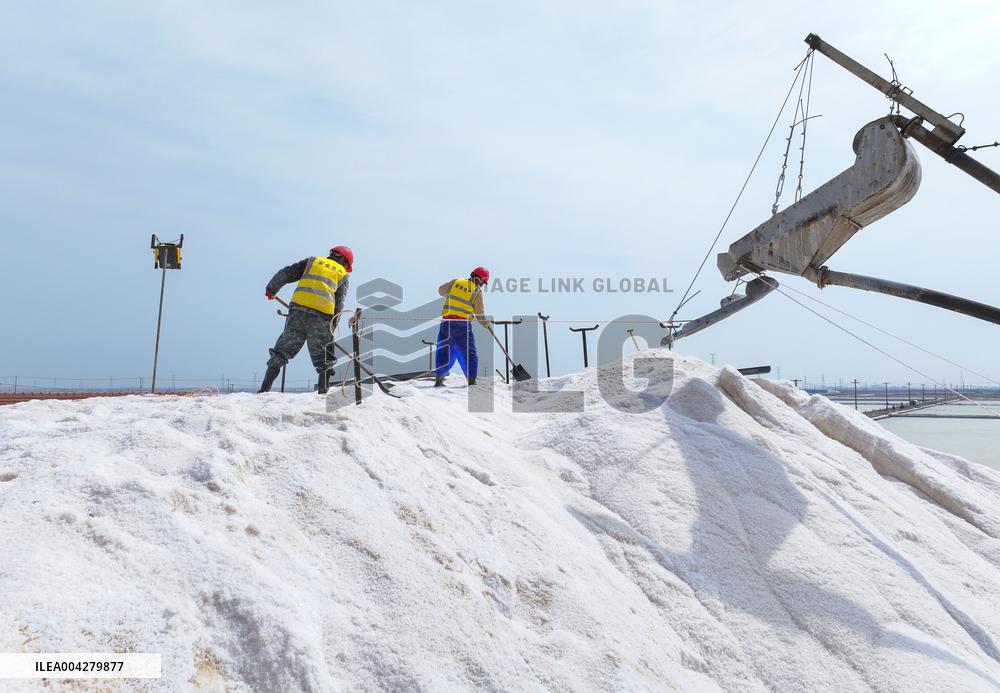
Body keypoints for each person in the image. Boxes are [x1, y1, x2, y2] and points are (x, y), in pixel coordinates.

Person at [257, 246, 353, 394]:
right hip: (321, 317)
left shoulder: (312, 261)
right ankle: (323, 393)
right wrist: (333, 325)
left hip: (297, 312)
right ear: (344, 261)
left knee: (281, 352)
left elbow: (287, 273)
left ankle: (263, 391)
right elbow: (339, 304)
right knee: (324, 358)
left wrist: (271, 290)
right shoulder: (343, 275)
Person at [434, 267, 489, 387]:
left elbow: (440, 291)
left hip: (446, 323)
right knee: (469, 353)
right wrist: (486, 324)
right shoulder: (476, 292)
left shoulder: (455, 282)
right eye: (483, 282)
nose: (482, 285)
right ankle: (472, 381)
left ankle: (439, 380)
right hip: (462, 325)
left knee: (444, 350)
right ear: (479, 279)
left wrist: (454, 292)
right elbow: (479, 314)